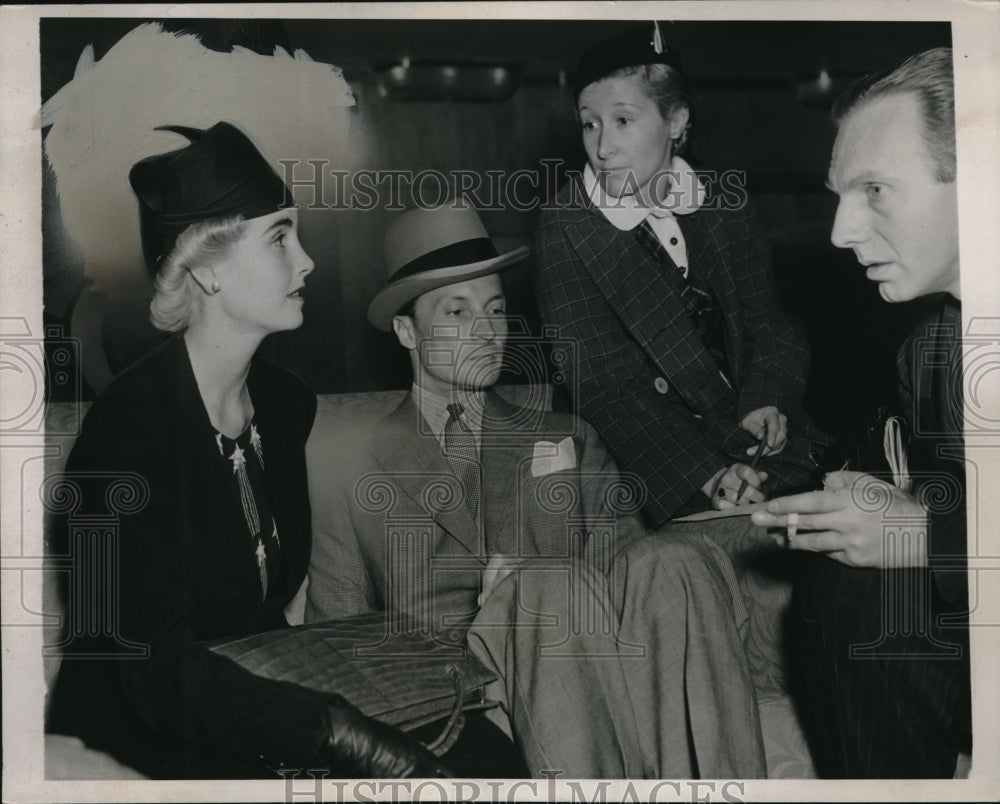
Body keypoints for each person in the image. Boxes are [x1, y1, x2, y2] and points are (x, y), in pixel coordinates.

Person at [45, 122, 452, 779]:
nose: (307, 261)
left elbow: (272, 616)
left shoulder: (285, 404)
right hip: (133, 734)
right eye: (279, 237)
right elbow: (146, 670)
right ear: (206, 270)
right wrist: (326, 729)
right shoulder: (123, 437)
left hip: (246, 699)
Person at [306, 203, 766, 778]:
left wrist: (538, 572)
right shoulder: (348, 468)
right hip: (451, 695)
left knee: (678, 559)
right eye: (458, 310)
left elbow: (630, 577)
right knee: (542, 586)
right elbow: (335, 641)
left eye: (496, 309)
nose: (488, 329)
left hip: (589, 659)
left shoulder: (569, 435)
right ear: (407, 330)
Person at [751, 48, 970, 778]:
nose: (842, 232)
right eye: (840, 194)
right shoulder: (929, 348)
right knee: (848, 587)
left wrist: (929, 534)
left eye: (875, 189)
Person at [534, 23, 826, 528]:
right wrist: (707, 475)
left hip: (758, 440)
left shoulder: (725, 203)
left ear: (676, 120)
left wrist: (765, 406)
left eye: (622, 120)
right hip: (655, 463)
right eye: (590, 124)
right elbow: (603, 383)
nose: (603, 148)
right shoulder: (565, 225)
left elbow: (772, 328)